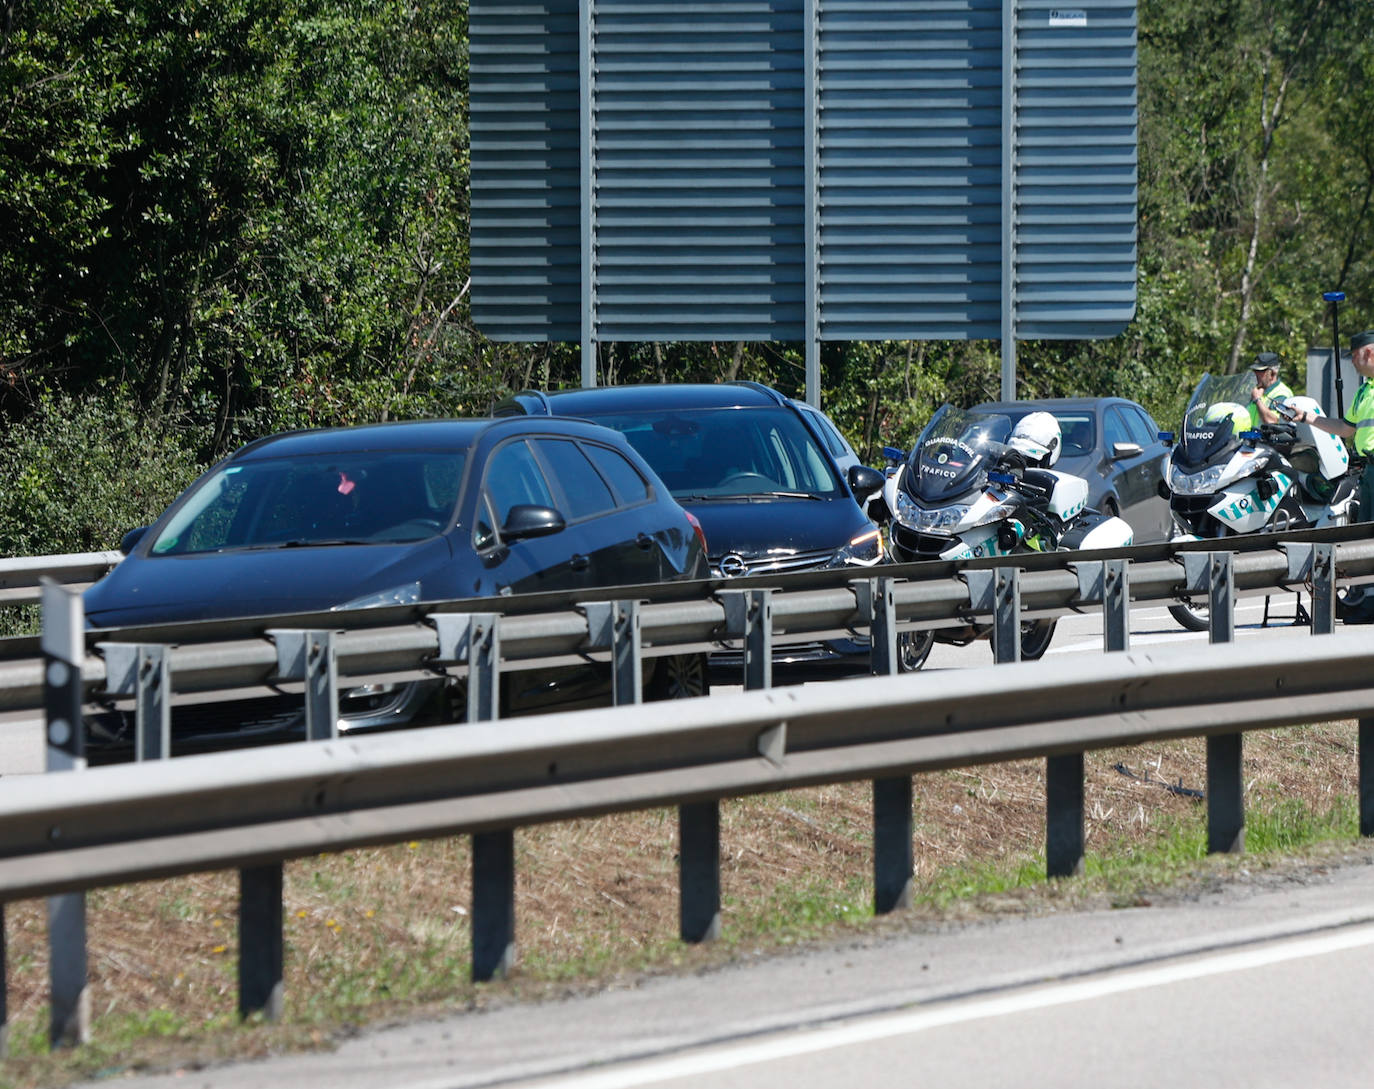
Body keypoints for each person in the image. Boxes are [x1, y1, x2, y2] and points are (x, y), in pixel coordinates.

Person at [1294, 329, 1374, 520]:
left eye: (1354, 355)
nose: (1352, 361)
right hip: (1369, 470)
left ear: (1369, 353)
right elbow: (1345, 429)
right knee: (1365, 530)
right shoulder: (1364, 391)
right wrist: (1306, 417)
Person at [1248, 351, 1293, 427]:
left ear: (1272, 373)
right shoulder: (1256, 390)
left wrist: (1257, 400)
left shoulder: (1282, 393)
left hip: (1267, 435)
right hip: (1249, 434)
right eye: (1254, 370)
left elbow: (1272, 421)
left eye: (1260, 371)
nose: (1256, 374)